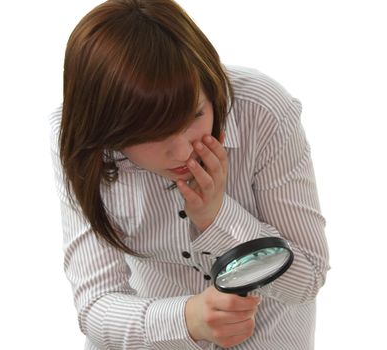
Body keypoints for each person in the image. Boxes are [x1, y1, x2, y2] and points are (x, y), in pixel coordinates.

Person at [49, 0, 329, 349]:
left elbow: (307, 280)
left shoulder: (262, 111)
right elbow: (95, 307)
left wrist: (217, 218)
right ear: (109, 130)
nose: (182, 152)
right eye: (151, 134)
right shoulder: (79, 140)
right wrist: (190, 318)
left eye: (195, 114)